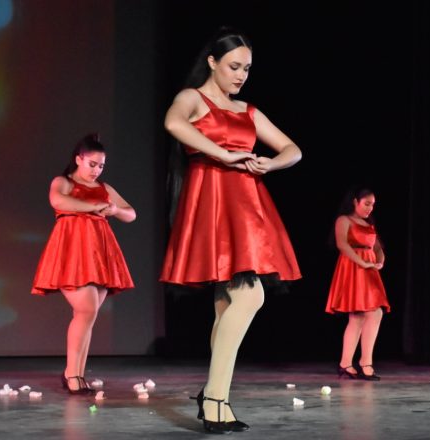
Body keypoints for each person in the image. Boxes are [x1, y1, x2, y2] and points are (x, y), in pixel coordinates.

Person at [160, 27, 301, 434]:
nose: (241, 75)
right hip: (212, 207)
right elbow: (174, 124)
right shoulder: (193, 99)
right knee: (249, 295)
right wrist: (224, 153)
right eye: (234, 66)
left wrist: (268, 164)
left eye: (247, 68)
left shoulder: (248, 110)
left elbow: (293, 149)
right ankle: (215, 397)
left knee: (229, 304)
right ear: (212, 62)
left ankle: (215, 397)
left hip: (247, 209)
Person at [32, 133, 136, 395]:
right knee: (86, 311)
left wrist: (114, 211)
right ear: (79, 159)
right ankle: (72, 374)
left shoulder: (105, 188)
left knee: (87, 315)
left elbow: (130, 213)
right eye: (92, 164)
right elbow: (58, 201)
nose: (96, 170)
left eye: (101, 165)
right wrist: (94, 207)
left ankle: (76, 373)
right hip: (72, 252)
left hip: (99, 254)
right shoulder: (63, 181)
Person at [325, 187, 390, 381]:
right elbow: (342, 245)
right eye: (367, 203)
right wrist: (362, 262)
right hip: (354, 266)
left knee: (362, 316)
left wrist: (380, 260)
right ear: (355, 202)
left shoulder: (368, 223)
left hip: (369, 269)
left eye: (373, 205)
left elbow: (377, 247)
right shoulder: (344, 220)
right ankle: (363, 363)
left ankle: (347, 364)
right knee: (364, 314)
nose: (370, 208)